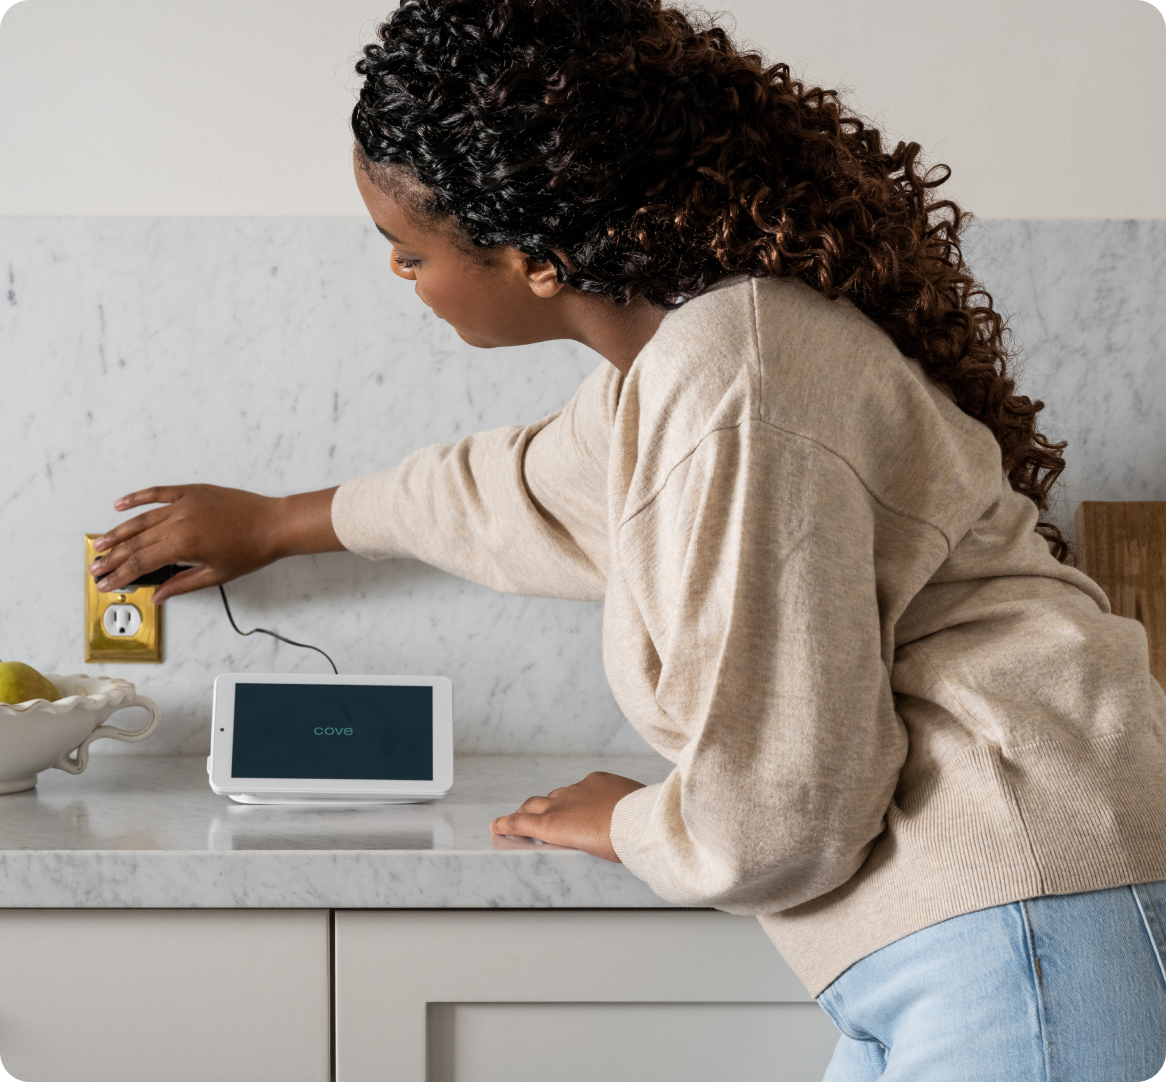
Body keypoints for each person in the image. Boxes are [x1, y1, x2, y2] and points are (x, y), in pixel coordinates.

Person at [88, 1, 1166, 1077]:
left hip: (1030, 921)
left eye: (406, 249)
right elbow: (508, 491)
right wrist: (275, 523)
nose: (397, 274)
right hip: (998, 922)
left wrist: (635, 822)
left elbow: (781, 816)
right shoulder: (690, 362)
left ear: (538, 258)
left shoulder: (735, 384)